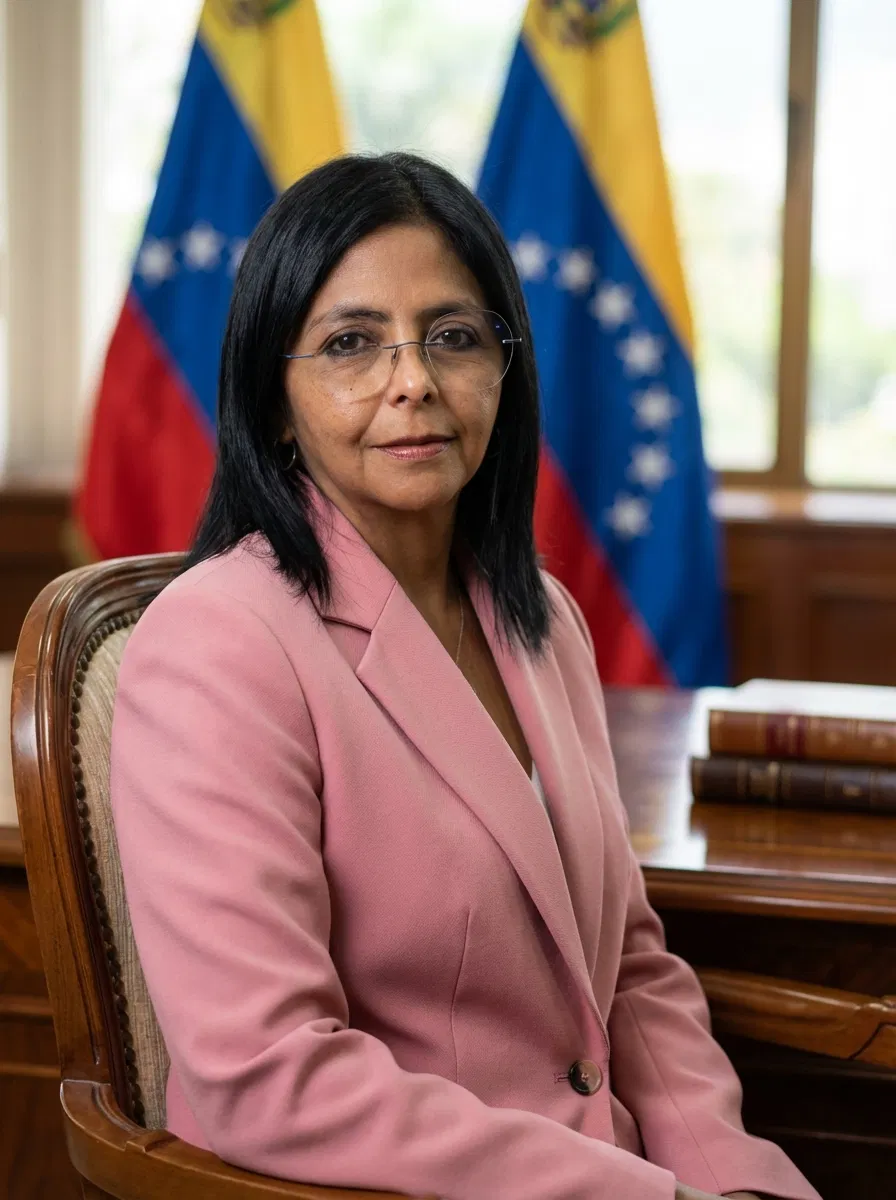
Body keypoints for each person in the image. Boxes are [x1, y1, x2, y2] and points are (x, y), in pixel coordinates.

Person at [110, 152, 820, 1200]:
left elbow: (623, 967)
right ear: (272, 401)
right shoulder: (219, 643)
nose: (415, 382)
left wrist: (730, 1179)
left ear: (503, 368)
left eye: (453, 336)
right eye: (352, 344)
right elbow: (268, 1077)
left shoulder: (537, 614)